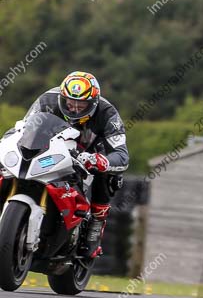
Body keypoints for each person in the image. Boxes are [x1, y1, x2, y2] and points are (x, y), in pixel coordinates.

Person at [24, 71, 128, 258]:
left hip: (88, 155)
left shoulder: (108, 113)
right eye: (70, 102)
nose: (75, 108)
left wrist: (100, 160)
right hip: (52, 150)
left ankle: (96, 224)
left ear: (94, 103)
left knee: (109, 174)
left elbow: (122, 156)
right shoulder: (47, 100)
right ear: (63, 97)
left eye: (82, 104)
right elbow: (25, 130)